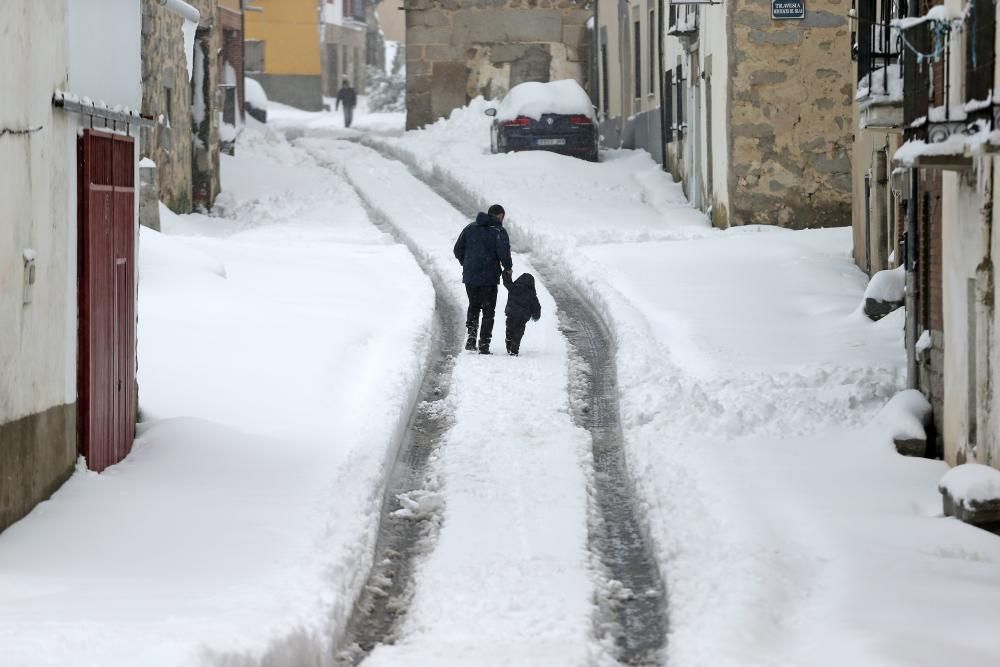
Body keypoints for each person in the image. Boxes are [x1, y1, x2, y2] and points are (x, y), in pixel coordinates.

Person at [453, 204, 513, 354]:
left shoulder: (470, 228)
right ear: (499, 216)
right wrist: (507, 268)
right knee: (488, 310)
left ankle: (471, 339)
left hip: (471, 277)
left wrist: (466, 263)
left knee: (473, 305)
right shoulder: (498, 231)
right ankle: (484, 344)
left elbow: (457, 249)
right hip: (489, 278)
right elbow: (504, 253)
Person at [502, 272, 541, 356]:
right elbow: (537, 307)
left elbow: (506, 282)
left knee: (509, 328)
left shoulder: (513, 287)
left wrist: (506, 273)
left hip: (511, 313)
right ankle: (515, 345)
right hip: (522, 316)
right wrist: (536, 316)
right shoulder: (532, 294)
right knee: (519, 331)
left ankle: (509, 341)